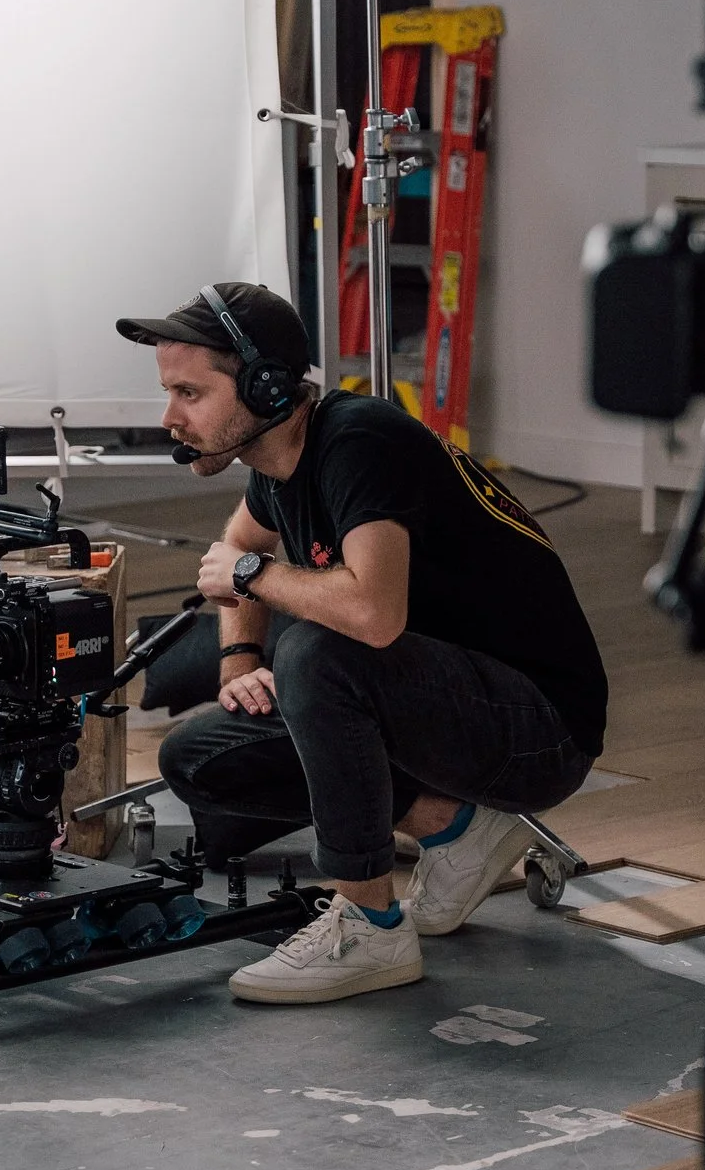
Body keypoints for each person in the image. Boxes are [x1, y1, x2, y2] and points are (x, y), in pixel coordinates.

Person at [118, 283, 607, 1004]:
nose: (170, 417)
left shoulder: (358, 443)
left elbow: (373, 616)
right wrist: (239, 659)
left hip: (540, 732)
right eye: (169, 393)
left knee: (317, 652)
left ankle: (370, 925)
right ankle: (455, 831)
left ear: (265, 386)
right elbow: (238, 544)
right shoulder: (278, 462)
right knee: (199, 757)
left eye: (189, 393)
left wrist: (252, 577)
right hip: (448, 700)